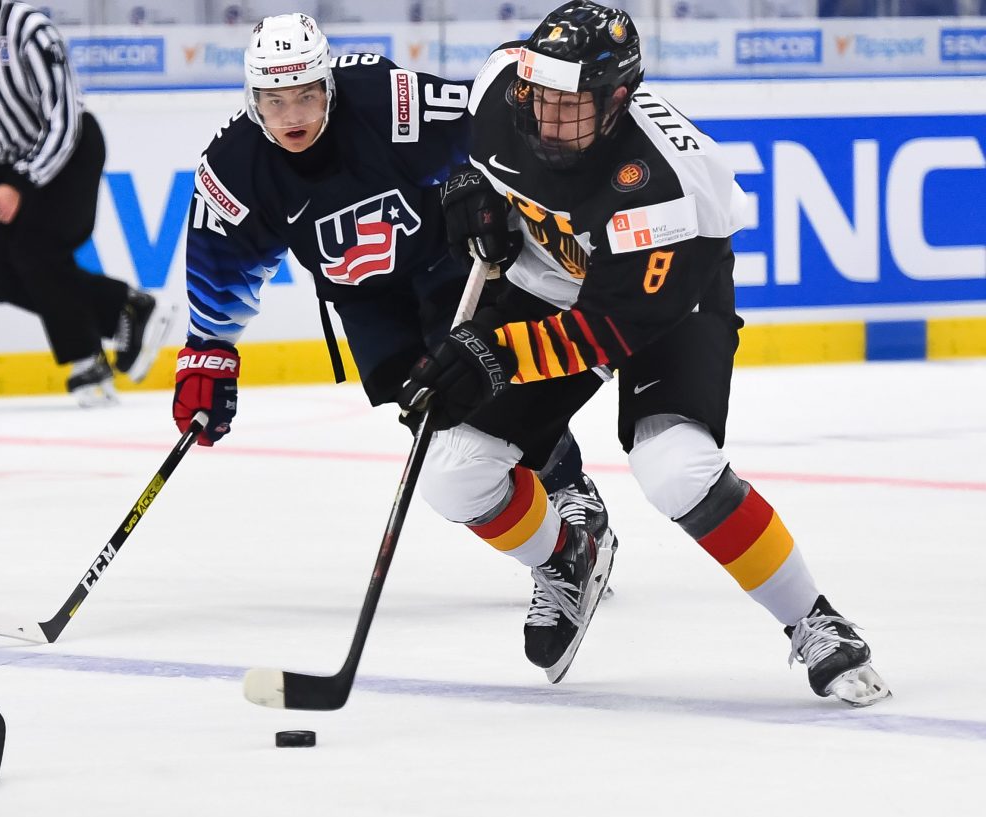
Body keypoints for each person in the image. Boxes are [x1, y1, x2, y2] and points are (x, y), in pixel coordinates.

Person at [400, 1, 891, 705]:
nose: (547, 117)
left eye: (571, 106)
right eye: (540, 96)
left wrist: (495, 353)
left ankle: (814, 619)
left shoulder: (661, 187)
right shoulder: (503, 84)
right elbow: (470, 147)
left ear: (618, 100)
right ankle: (569, 556)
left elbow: (606, 333)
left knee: (676, 469)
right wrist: (473, 186)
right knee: (453, 473)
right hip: (556, 274)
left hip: (668, 301)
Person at [173, 12, 617, 680]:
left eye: (307, 95)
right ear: (251, 98)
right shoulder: (234, 167)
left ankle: (568, 495)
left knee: (469, 389)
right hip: (362, 294)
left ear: (328, 85)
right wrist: (208, 352)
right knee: (422, 403)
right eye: (275, 100)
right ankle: (559, 508)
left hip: (446, 261)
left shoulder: (386, 99)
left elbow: (488, 127)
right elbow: (220, 264)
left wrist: (478, 187)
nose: (292, 114)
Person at [0, 0, 175, 407]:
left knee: (35, 251)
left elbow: (64, 117)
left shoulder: (28, 27)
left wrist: (22, 184)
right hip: (6, 159)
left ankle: (86, 359)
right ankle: (126, 307)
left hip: (70, 151)